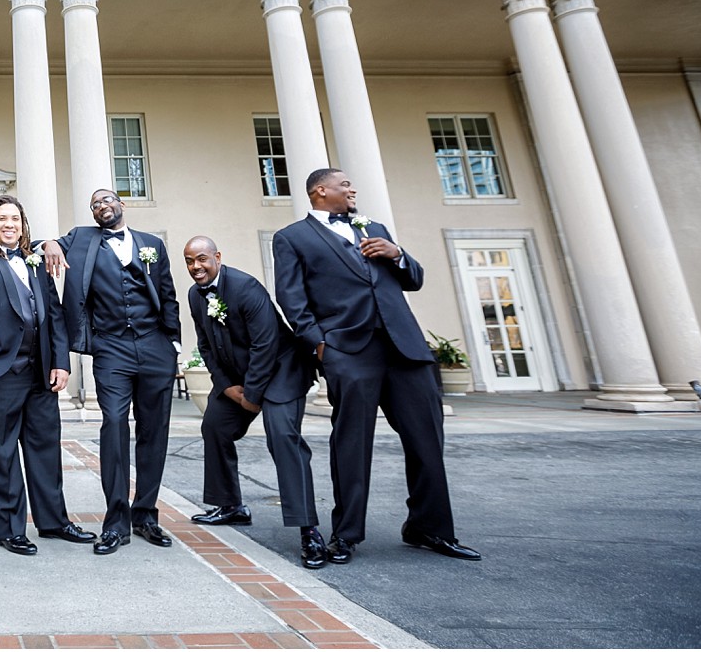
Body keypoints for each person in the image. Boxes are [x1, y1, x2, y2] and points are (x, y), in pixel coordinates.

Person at [271, 168, 480, 564]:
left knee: (427, 443)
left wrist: (397, 254)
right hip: (348, 353)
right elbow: (291, 298)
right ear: (320, 191)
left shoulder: (374, 228)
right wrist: (321, 346)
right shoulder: (292, 238)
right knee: (351, 445)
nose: (352, 189)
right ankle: (347, 534)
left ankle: (429, 527)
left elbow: (414, 280)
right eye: (344, 184)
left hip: (406, 350)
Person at [0, 195, 94, 555]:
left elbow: (56, 316)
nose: (10, 225)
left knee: (45, 449)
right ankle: (9, 529)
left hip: (41, 372)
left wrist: (61, 362)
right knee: (1, 454)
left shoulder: (34, 262)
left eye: (15, 219)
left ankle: (53, 522)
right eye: (2, 219)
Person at [43, 190, 180, 555]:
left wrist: (174, 344)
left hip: (154, 345)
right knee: (114, 424)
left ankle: (146, 515)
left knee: (155, 430)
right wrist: (50, 244)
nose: (101, 206)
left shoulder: (152, 244)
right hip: (111, 348)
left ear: (122, 205)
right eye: (94, 204)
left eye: (107, 200)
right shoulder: (83, 238)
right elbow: (46, 243)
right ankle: (116, 522)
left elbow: (167, 293)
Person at [183, 236, 325, 570]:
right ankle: (230, 505)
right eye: (189, 261)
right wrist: (226, 386)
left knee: (283, 439)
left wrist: (252, 396)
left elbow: (266, 344)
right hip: (239, 380)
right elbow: (205, 345)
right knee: (214, 427)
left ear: (217, 256)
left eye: (202, 259)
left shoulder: (246, 288)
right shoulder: (194, 295)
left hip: (281, 372)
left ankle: (309, 531)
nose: (196, 267)